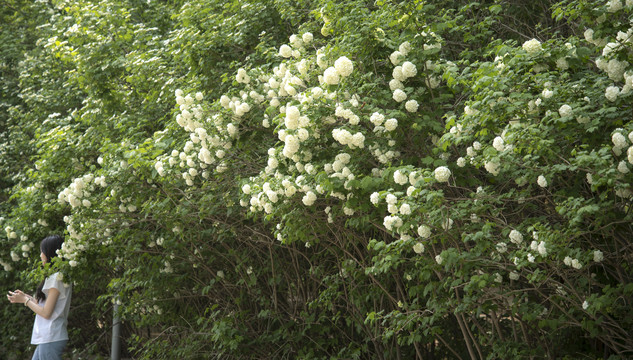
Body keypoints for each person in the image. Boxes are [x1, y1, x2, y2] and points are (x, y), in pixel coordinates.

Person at [7, 235, 72, 360]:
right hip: (48, 338)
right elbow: (42, 305)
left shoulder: (57, 278)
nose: (41, 255)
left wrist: (25, 301)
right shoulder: (57, 277)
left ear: (50, 253)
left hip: (51, 337)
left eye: (42, 251)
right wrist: (25, 297)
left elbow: (46, 313)